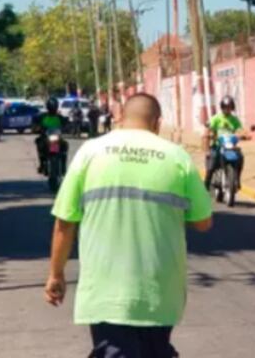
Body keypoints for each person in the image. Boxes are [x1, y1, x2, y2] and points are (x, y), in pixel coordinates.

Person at [46, 93, 212, 358]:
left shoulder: (90, 152)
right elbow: (203, 222)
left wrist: (56, 274)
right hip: (160, 294)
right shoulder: (177, 157)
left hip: (106, 294)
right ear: (157, 123)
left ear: (120, 117)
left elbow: (64, 223)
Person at [203, 95, 251, 191]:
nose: (227, 109)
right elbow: (208, 129)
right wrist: (209, 135)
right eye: (225, 107)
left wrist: (245, 135)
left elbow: (239, 130)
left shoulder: (234, 120)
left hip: (230, 146)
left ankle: (237, 179)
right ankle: (206, 186)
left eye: (229, 107)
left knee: (240, 157)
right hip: (218, 145)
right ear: (222, 107)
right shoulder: (216, 118)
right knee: (211, 164)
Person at [36, 97, 65, 175]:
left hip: (57, 137)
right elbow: (36, 123)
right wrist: (36, 128)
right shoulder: (43, 116)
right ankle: (42, 164)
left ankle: (63, 166)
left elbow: (66, 123)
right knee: (39, 142)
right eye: (51, 106)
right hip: (46, 137)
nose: (52, 108)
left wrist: (67, 127)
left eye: (54, 106)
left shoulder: (60, 117)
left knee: (65, 145)